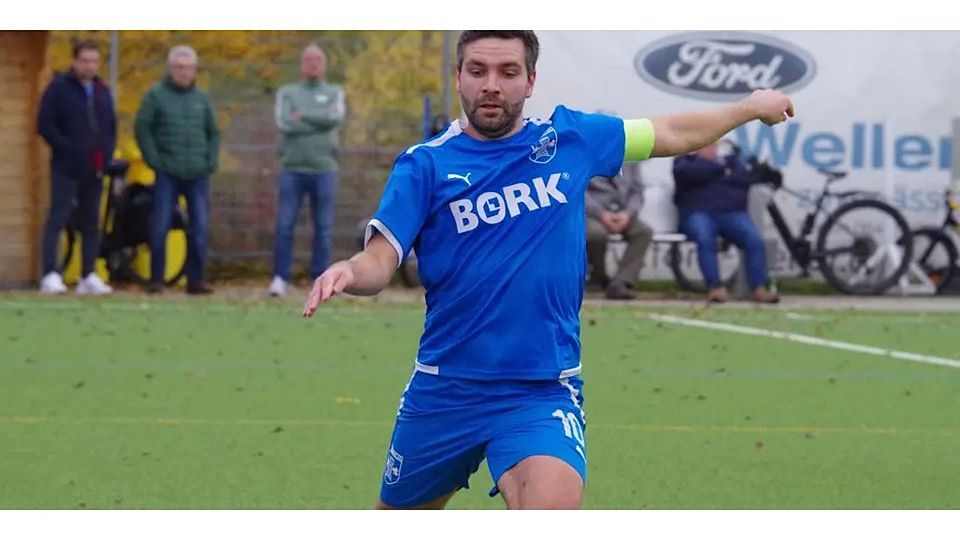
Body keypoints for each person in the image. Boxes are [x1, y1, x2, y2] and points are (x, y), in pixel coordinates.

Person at [302, 31, 794, 509]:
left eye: (507, 71)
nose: (491, 83)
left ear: (531, 81)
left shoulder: (572, 139)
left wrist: (748, 108)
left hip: (540, 391)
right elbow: (380, 261)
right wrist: (349, 270)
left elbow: (669, 132)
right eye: (477, 70)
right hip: (444, 388)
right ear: (458, 78)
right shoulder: (424, 165)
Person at [135, 45, 220, 295]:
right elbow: (143, 129)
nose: (184, 72)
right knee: (160, 226)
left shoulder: (202, 99)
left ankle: (195, 280)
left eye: (188, 68)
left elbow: (213, 132)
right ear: (170, 69)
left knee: (200, 228)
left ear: (195, 71)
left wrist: (210, 161)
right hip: (167, 173)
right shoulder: (156, 95)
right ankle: (156, 280)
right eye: (179, 67)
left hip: (198, 173)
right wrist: (155, 160)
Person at [37, 39, 117, 295]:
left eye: (94, 61)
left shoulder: (103, 90)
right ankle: (51, 273)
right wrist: (67, 147)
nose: (89, 66)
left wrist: (106, 155)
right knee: (58, 219)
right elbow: (45, 125)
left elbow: (110, 126)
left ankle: (88, 275)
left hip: (94, 169)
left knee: (91, 223)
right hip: (66, 167)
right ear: (75, 61)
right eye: (85, 61)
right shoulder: (59, 88)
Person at [268, 44, 346, 298]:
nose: (313, 64)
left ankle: (320, 280)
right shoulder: (288, 93)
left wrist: (303, 117)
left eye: (318, 60)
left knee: (323, 228)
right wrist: (317, 120)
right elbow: (285, 123)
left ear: (324, 65)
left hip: (324, 169)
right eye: (308, 60)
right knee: (285, 225)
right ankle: (280, 278)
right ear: (302, 64)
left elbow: (333, 119)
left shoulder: (334, 92)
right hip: (292, 168)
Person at [672, 142, 780, 303]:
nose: (711, 149)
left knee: (754, 238)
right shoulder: (685, 162)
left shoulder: (733, 162)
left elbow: (747, 178)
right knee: (705, 237)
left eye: (713, 145)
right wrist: (722, 171)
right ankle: (715, 287)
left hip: (732, 214)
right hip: (699, 213)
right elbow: (688, 174)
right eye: (706, 145)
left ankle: (759, 288)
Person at [585, 161, 653, 300]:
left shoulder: (631, 158)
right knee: (595, 234)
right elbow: (579, 191)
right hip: (592, 213)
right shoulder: (587, 153)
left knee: (643, 232)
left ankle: (621, 282)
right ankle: (599, 277)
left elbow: (637, 191)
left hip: (623, 212)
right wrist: (601, 213)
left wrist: (628, 214)